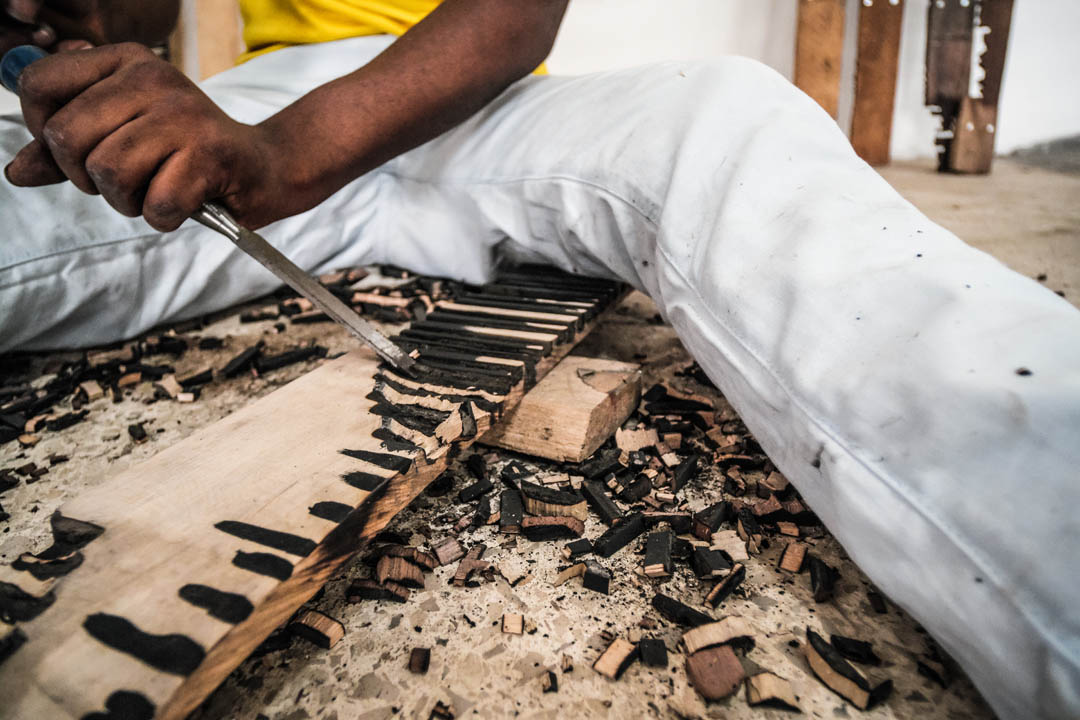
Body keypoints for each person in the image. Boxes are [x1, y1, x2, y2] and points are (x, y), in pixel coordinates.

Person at [1, 2, 1077, 718]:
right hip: (253, 107)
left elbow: (518, 11)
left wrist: (298, 153)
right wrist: (89, 43)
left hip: (474, 102)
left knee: (719, 120)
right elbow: (127, 19)